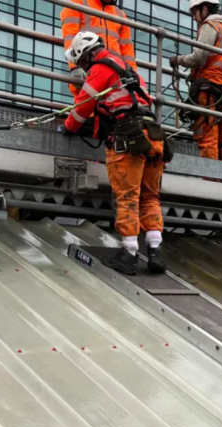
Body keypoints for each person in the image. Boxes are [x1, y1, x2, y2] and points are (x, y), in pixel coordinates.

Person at [63, 31, 170, 276]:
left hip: (128, 137)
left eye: (81, 64)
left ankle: (129, 254)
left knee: (128, 197)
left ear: (87, 57)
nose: (82, 69)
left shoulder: (100, 69)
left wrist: (68, 127)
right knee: (150, 197)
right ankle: (155, 252)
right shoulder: (128, 70)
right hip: (153, 137)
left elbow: (82, 106)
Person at [168, 0, 222, 162]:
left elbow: (199, 57)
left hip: (207, 91)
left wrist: (178, 60)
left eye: (194, 13)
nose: (194, 18)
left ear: (204, 9)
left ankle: (210, 178)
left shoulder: (210, 26)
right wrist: (218, 76)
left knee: (207, 135)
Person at [61, 0, 137, 98]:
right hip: (89, 71)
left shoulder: (120, 14)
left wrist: (132, 74)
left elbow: (127, 51)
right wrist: (75, 67)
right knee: (86, 108)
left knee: (111, 109)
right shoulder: (77, 3)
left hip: (114, 76)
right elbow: (70, 38)